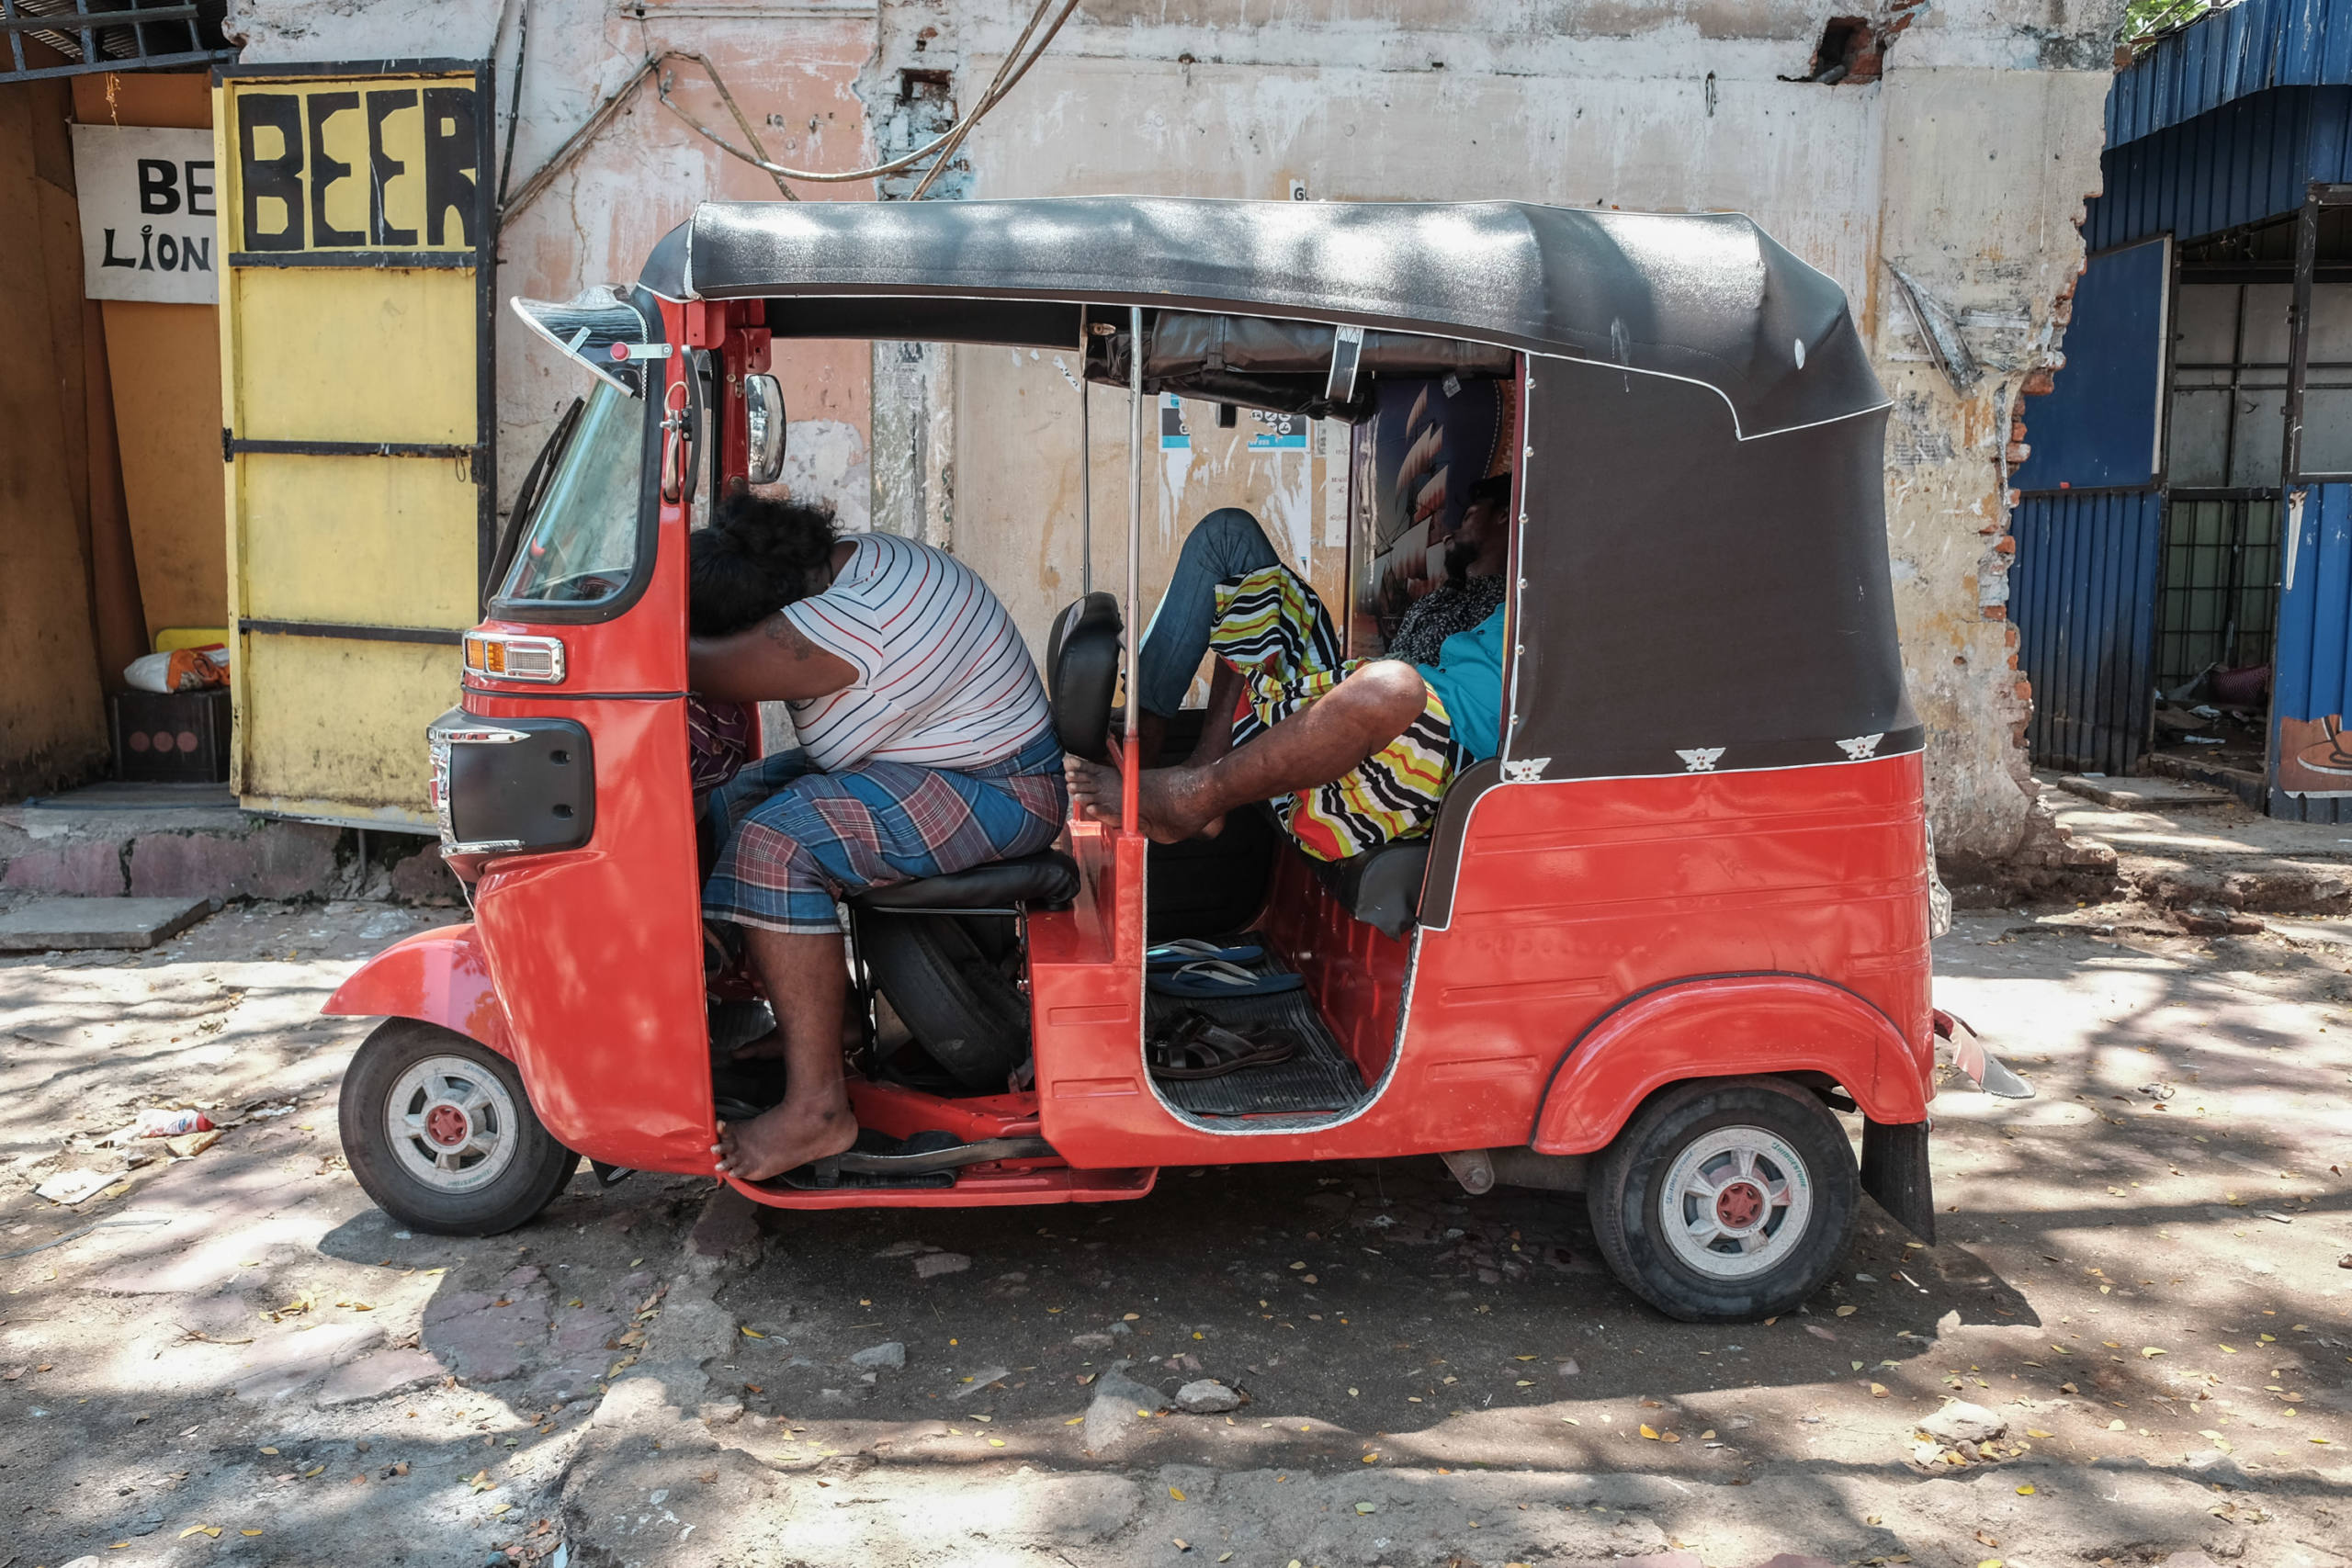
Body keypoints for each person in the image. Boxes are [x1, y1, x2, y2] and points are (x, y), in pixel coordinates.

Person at [688, 489, 1066, 1183]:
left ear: (773, 612)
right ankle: (828, 1028)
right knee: (741, 795)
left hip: (1003, 788)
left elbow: (697, 664)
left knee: (776, 844)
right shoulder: (853, 562)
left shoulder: (840, 627)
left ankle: (818, 1111)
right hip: (940, 758)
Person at [1069, 474, 1510, 858]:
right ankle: (1153, 752)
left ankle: (1192, 798)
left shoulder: (1528, 606)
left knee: (1394, 687)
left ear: (1511, 518)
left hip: (1446, 757)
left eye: (1472, 512)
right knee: (1230, 538)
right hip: (1375, 709)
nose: (1453, 525)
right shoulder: (1446, 599)